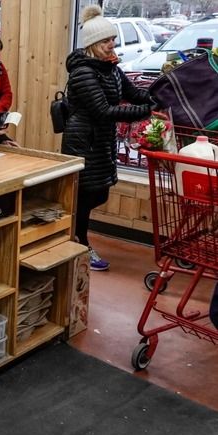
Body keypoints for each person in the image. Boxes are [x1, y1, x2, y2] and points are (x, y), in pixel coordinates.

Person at [63, 5, 154, 271]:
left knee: (99, 194)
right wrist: (146, 110)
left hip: (100, 141)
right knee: (85, 198)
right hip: (83, 142)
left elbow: (133, 93)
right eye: (106, 40)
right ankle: (80, 245)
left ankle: (75, 239)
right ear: (92, 44)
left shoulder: (110, 68)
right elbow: (103, 111)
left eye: (112, 39)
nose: (112, 44)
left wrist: (158, 93)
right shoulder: (83, 72)